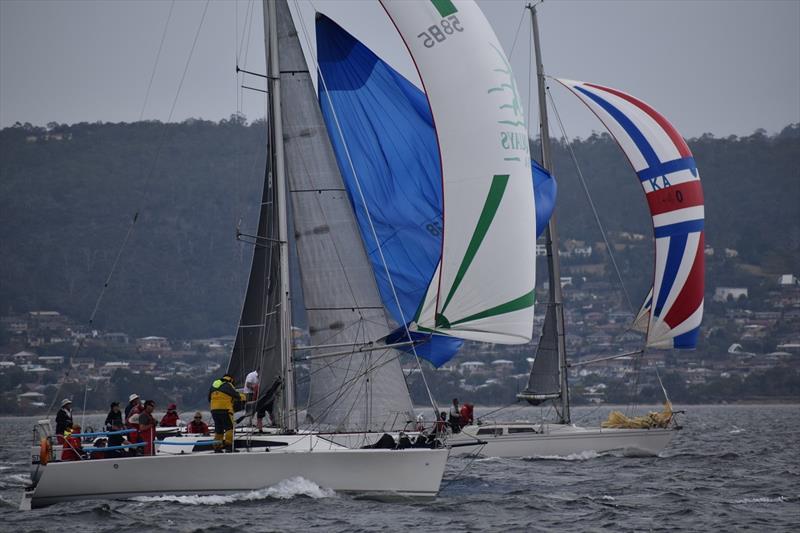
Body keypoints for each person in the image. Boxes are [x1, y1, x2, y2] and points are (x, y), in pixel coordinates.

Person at [209, 374, 245, 452]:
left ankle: (217, 447)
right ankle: (229, 446)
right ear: (231, 379)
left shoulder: (215, 383)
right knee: (229, 428)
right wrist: (245, 397)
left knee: (219, 429)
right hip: (225, 409)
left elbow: (209, 397)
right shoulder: (228, 385)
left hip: (214, 410)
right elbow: (236, 395)